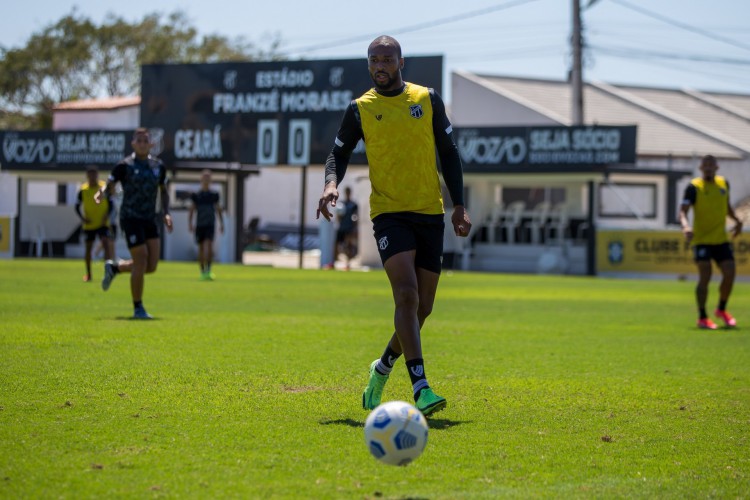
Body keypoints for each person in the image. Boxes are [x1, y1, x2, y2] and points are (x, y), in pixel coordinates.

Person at [317, 35, 472, 417]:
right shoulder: (360, 109)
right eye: (374, 59)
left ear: (401, 62)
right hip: (389, 213)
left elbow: (449, 154)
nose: (380, 65)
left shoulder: (426, 99)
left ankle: (382, 366)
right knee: (406, 294)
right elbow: (337, 153)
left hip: (429, 212)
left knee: (423, 307)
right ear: (368, 64)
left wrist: (459, 205)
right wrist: (330, 183)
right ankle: (421, 387)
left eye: (387, 59)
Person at [96, 128, 173, 319]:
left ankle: (115, 268)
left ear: (151, 144)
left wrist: (166, 213)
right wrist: (102, 193)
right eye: (139, 141)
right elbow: (110, 182)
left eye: (145, 141)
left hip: (149, 218)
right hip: (130, 218)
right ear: (133, 144)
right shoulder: (125, 165)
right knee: (141, 259)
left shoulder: (158, 166)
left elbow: (163, 191)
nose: (142, 144)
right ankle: (138, 308)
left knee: (151, 266)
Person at [680, 154, 743, 330]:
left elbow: (727, 206)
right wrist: (686, 227)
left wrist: (737, 221)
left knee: (730, 272)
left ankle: (721, 309)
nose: (708, 168)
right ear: (701, 168)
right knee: (705, 276)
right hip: (701, 240)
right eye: (705, 165)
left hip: (720, 239)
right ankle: (702, 317)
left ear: (717, 167)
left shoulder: (724, 184)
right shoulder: (694, 187)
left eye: (711, 165)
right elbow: (683, 212)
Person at [75, 166, 112, 282]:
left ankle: (108, 273)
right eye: (90, 175)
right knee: (88, 249)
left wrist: (107, 215)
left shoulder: (103, 187)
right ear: (87, 176)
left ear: (97, 175)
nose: (93, 177)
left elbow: (111, 204)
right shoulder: (83, 190)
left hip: (102, 223)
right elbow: (76, 206)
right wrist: (82, 218)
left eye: (94, 175)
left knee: (106, 244)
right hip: (89, 225)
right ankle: (89, 274)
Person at [188, 169, 224, 280]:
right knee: (201, 249)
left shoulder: (214, 195)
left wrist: (222, 223)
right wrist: (190, 223)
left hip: (210, 225)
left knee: (208, 246)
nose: (206, 179)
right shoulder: (196, 195)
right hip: (200, 225)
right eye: (205, 177)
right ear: (201, 179)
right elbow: (192, 210)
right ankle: (202, 272)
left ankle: (208, 271)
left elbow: (218, 210)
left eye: (208, 177)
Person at [335, 186, 359, 270]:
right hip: (342, 228)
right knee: (336, 244)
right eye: (346, 192)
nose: (347, 194)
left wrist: (355, 227)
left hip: (349, 228)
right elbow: (338, 216)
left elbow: (356, 217)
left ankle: (347, 264)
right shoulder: (341, 204)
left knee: (348, 246)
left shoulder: (353, 205)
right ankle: (335, 261)